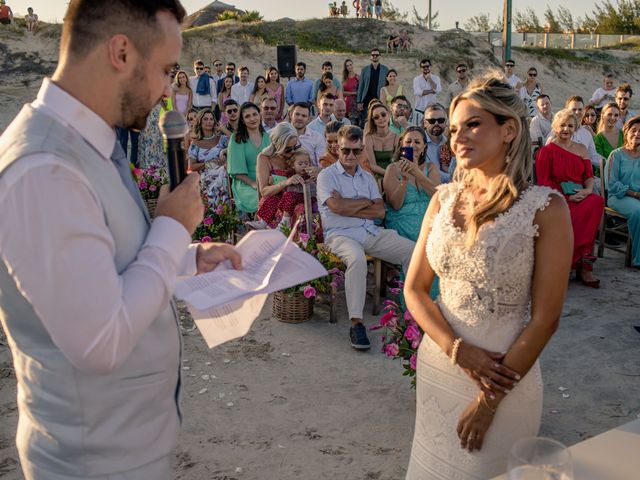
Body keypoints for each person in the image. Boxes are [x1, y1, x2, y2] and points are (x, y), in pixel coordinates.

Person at [0, 1, 242, 479]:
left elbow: (105, 266)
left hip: (127, 451)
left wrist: (188, 256)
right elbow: (101, 341)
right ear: (122, 52)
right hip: (92, 463)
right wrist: (172, 228)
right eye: (167, 69)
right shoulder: (43, 168)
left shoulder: (87, 141)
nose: (170, 90)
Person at [404, 74, 573, 479]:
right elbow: (414, 289)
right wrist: (457, 350)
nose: (458, 137)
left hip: (503, 382)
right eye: (453, 129)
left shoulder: (546, 209)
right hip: (439, 366)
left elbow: (546, 318)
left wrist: (488, 402)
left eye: (473, 124)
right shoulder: (442, 200)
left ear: (509, 130)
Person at [317, 125, 416, 350]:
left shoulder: (367, 177)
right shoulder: (327, 176)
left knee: (412, 251)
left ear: (362, 149)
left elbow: (380, 211)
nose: (350, 156)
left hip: (370, 232)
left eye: (355, 151)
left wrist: (349, 205)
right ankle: (356, 323)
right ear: (337, 148)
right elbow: (336, 207)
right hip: (340, 235)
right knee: (357, 259)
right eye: (345, 151)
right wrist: (365, 202)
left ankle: (410, 313)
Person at [536, 109, 604, 288]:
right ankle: (564, 264)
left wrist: (588, 190)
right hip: (558, 197)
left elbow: (589, 175)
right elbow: (544, 182)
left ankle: (584, 266)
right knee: (568, 212)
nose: (566, 129)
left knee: (596, 201)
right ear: (555, 127)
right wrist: (565, 196)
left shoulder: (581, 149)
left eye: (570, 126)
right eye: (562, 125)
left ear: (576, 128)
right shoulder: (547, 151)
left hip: (581, 193)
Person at [383, 126, 440, 241]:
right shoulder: (393, 169)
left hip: (430, 220)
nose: (412, 145)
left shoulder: (431, 167)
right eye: (408, 141)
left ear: (424, 147)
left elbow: (438, 196)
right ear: (402, 144)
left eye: (417, 142)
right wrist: (404, 180)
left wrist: (416, 172)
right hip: (403, 221)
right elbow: (395, 205)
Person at [256, 122, 303, 228]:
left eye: (295, 146)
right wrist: (286, 182)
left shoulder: (299, 155)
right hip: (272, 202)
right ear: (277, 145)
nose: (292, 151)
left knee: (302, 209)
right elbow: (264, 192)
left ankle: (304, 242)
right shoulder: (264, 158)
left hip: (293, 198)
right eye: (288, 149)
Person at [607, 115, 640, 267]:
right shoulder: (616, 155)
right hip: (618, 196)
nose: (637, 134)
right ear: (626, 133)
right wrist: (634, 194)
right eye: (634, 130)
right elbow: (611, 184)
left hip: (637, 198)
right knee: (638, 211)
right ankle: (637, 259)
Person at [227, 102, 270, 215]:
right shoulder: (236, 138)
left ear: (260, 115)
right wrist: (254, 184)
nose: (252, 119)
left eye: (254, 114)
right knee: (262, 199)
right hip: (246, 183)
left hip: (268, 181)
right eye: (247, 116)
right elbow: (237, 172)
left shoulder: (268, 137)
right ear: (242, 120)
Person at [187, 109, 229, 206]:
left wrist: (223, 129)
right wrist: (211, 163)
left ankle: (225, 209)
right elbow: (192, 167)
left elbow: (237, 143)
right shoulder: (195, 144)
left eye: (211, 119)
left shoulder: (222, 139)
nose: (209, 121)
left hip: (224, 171)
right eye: (205, 119)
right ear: (200, 122)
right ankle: (216, 209)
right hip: (206, 175)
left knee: (224, 173)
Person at [363, 101, 398, 175]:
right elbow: (372, 165)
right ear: (373, 121)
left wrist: (392, 176)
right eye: (376, 117)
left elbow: (396, 162)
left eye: (383, 114)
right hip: (375, 175)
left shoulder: (396, 137)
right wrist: (388, 174)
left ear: (388, 115)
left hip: (394, 174)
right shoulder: (368, 137)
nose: (381, 118)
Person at [356, 48, 389, 126]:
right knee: (366, 121)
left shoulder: (385, 69)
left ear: (379, 56)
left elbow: (387, 85)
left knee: (378, 119)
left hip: (379, 98)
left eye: (377, 55)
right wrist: (359, 101)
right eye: (373, 55)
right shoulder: (365, 70)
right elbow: (361, 86)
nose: (375, 56)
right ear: (370, 57)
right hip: (366, 99)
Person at [289, 102, 326, 167]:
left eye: (304, 116)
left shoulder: (317, 137)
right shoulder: (281, 134)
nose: (300, 118)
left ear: (308, 119)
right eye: (297, 114)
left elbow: (321, 164)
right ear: (290, 115)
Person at [423, 103, 452, 182]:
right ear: (425, 123)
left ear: (446, 122)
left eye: (440, 120)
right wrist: (453, 178)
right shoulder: (418, 142)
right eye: (432, 121)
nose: (436, 124)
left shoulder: (451, 143)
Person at [413, 59, 442, 124]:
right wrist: (431, 91)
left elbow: (437, 89)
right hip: (419, 109)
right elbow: (418, 92)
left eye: (427, 66)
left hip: (431, 109)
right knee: (418, 127)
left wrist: (429, 79)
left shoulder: (436, 78)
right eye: (423, 67)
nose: (426, 68)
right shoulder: (416, 79)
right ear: (421, 68)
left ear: (430, 67)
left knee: (430, 127)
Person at [342, 58, 360, 124]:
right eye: (347, 66)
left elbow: (360, 91)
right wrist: (354, 93)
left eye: (350, 65)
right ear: (346, 67)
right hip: (346, 104)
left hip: (355, 105)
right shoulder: (344, 78)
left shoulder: (357, 77)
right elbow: (342, 92)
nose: (349, 67)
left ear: (353, 65)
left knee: (354, 125)